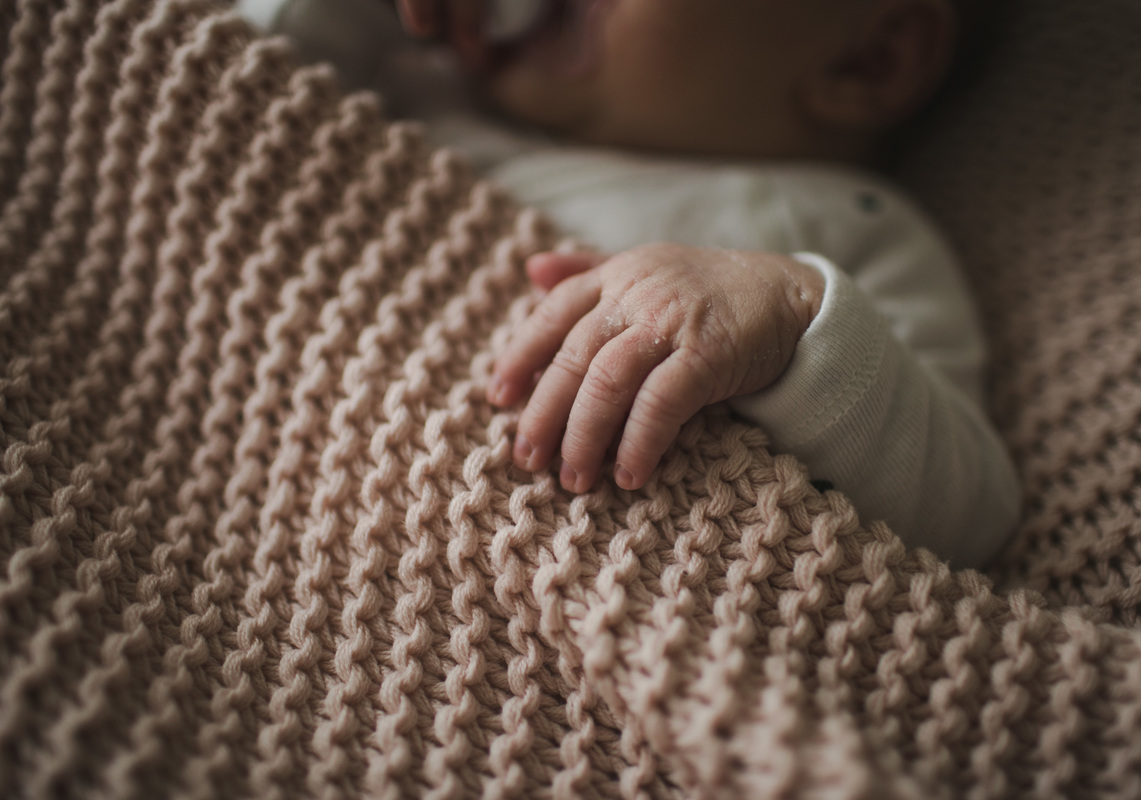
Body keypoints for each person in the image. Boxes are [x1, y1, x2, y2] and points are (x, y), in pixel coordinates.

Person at [237, 0, 1019, 568]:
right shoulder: (405, 76)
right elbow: (233, 103)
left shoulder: (853, 234)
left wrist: (791, 315)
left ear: (868, 58)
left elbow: (966, 514)